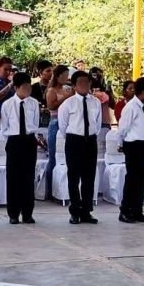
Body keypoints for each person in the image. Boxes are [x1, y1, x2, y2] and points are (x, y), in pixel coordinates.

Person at [59, 70, 103, 224]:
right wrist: (74, 137)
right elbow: (63, 126)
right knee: (73, 177)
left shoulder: (96, 102)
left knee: (89, 177)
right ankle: (75, 211)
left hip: (90, 141)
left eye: (87, 82)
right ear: (75, 86)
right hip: (74, 141)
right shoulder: (68, 103)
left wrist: (89, 136)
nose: (84, 85)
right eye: (81, 83)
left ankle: (86, 211)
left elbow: (97, 125)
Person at [0, 72, 39, 224]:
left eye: (29, 87)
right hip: (14, 141)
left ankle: (28, 213)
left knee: (28, 178)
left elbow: (35, 123)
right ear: (16, 88)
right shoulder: (7, 104)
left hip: (29, 140)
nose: (27, 90)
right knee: (14, 178)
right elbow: (4, 127)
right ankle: (13, 213)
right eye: (24, 87)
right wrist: (12, 139)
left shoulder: (34, 103)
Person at [118, 77, 144, 223]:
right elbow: (123, 127)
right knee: (132, 179)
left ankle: (137, 210)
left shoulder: (143, 106)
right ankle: (125, 210)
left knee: (140, 179)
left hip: (142, 144)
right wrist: (121, 143)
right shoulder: (131, 107)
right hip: (132, 144)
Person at [45, 65, 73, 199]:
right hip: (55, 122)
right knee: (53, 156)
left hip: (68, 123)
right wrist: (66, 97)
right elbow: (51, 105)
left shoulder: (67, 89)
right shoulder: (51, 90)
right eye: (64, 75)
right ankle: (50, 189)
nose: (67, 78)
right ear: (58, 76)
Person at [31, 60, 54, 127]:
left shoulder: (55, 87)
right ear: (40, 72)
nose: (51, 73)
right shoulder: (34, 87)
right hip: (38, 119)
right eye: (48, 71)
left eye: (52, 71)